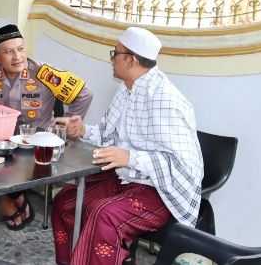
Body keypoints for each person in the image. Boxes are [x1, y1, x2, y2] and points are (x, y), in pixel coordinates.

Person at [50, 27, 203, 265]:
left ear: (130, 60)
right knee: (64, 201)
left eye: (115, 54)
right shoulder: (127, 88)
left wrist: (130, 157)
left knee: (104, 215)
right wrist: (82, 130)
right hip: (124, 179)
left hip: (158, 190)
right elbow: (107, 134)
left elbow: (183, 164)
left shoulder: (166, 100)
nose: (112, 59)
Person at [0, 24, 94, 230]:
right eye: (8, 52)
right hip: (0, 141)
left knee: (3, 161)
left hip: (36, 144)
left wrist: (67, 126)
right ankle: (15, 197)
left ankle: (11, 198)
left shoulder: (44, 73)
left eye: (20, 49)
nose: (17, 57)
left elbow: (84, 94)